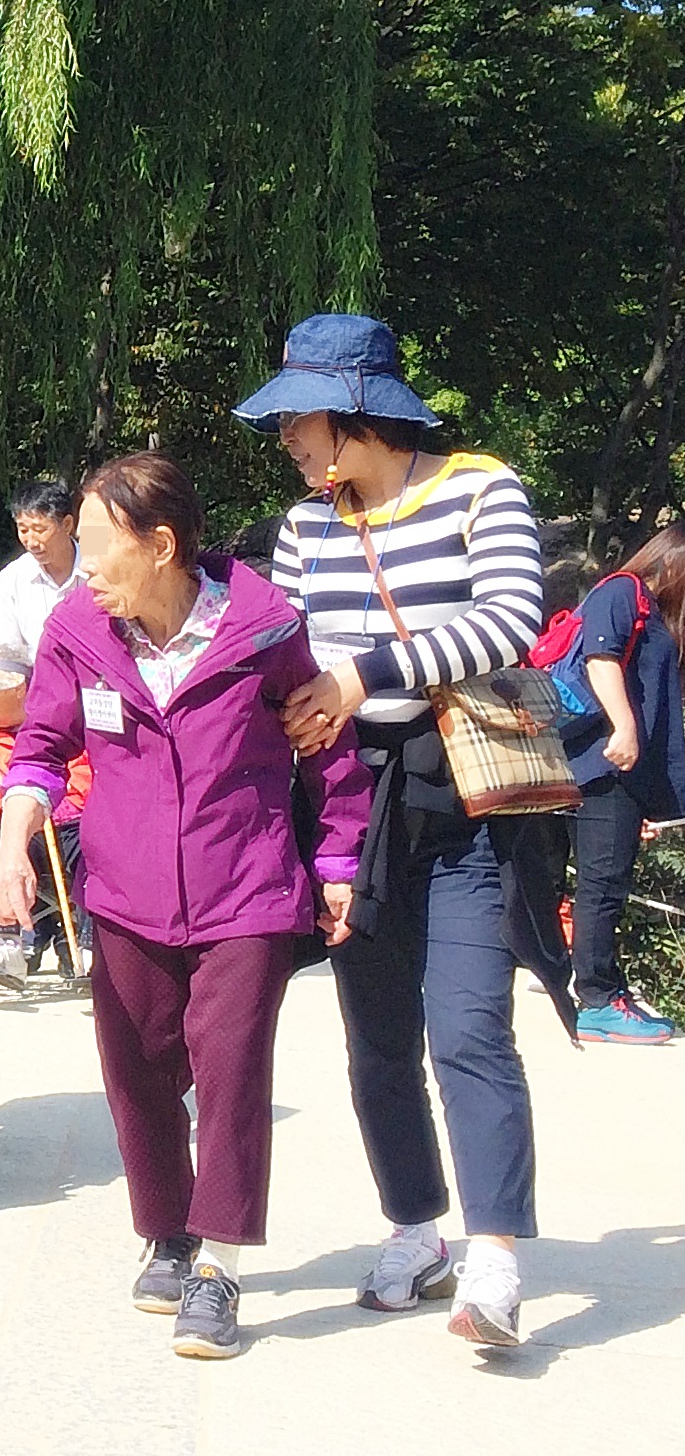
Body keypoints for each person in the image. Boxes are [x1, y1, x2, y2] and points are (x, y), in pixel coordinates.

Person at [0, 453, 368, 1361]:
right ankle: (166, 1232)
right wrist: (10, 846)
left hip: (245, 888)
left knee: (230, 1072)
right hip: (125, 891)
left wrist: (338, 857)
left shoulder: (262, 629)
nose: (81, 566)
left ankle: (218, 1266)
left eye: (95, 546)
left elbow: (326, 744)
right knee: (136, 1067)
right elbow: (39, 747)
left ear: (159, 545)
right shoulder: (78, 629)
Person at [239, 311, 570, 1349]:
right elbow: (282, 644)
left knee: (469, 1028)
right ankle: (414, 1226)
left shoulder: (479, 487)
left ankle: (494, 1259)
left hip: (461, 796)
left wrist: (360, 675)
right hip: (349, 800)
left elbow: (509, 619)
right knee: (376, 1041)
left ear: (355, 413)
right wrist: (292, 701)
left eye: (297, 419)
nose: (285, 439)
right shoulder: (304, 526)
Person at [564, 525, 685, 1044]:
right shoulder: (621, 591)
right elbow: (601, 658)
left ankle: (599, 988)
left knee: (605, 881)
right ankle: (597, 999)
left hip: (626, 770)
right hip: (605, 762)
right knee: (602, 886)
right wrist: (624, 728)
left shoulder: (656, 613)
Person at [0, 642, 87, 979]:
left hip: (65, 822)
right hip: (14, 833)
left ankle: (88, 941)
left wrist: (41, 802)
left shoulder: (61, 724)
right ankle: (8, 942)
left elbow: (84, 776)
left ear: (19, 689)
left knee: (94, 846)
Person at [0, 481, 84, 659]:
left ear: (67, 524)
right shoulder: (11, 579)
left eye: (39, 530)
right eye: (23, 530)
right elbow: (5, 655)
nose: (31, 542)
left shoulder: (99, 571)